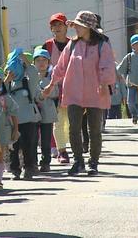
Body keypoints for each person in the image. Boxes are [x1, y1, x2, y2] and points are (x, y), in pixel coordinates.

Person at [43, 11, 116, 176]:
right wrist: (51, 84)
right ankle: (78, 161)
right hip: (74, 91)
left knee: (94, 130)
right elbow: (61, 66)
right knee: (73, 128)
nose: (75, 28)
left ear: (88, 27)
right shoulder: (73, 44)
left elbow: (107, 65)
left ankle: (93, 163)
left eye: (79, 25)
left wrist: (105, 84)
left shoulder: (102, 45)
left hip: (96, 92)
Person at [5, 47, 41, 180]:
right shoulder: (8, 83)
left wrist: (26, 63)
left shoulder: (27, 82)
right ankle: (15, 169)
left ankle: (29, 168)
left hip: (28, 119)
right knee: (13, 147)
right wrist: (7, 80)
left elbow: (34, 75)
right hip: (13, 121)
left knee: (29, 145)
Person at [41, 12, 71, 164]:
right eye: (54, 25)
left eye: (60, 24)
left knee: (69, 121)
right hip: (53, 88)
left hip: (72, 87)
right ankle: (62, 151)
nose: (57, 27)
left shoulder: (74, 44)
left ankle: (62, 145)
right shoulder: (47, 45)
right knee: (57, 120)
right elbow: (41, 65)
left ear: (66, 26)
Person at [33, 48, 58, 172]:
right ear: (34, 62)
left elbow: (55, 93)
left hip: (47, 111)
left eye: (44, 60)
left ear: (48, 63)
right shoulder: (30, 78)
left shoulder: (52, 78)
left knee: (46, 139)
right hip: (33, 113)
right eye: (38, 60)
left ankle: (46, 161)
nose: (41, 63)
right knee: (32, 138)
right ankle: (33, 162)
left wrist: (43, 94)